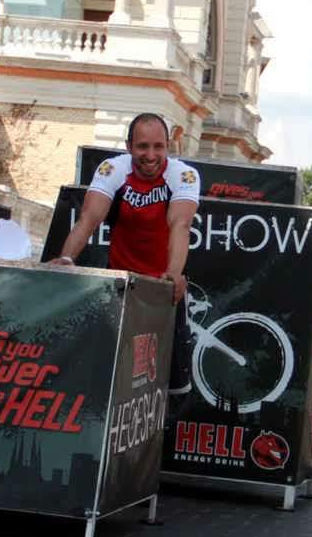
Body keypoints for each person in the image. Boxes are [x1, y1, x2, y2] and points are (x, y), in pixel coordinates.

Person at [49, 113, 201, 392]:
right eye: (142, 146)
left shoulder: (183, 175)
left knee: (175, 387)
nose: (151, 155)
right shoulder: (113, 169)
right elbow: (89, 219)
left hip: (163, 286)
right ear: (129, 146)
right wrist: (67, 258)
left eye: (158, 146)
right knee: (111, 376)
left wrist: (173, 275)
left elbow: (180, 225)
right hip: (122, 285)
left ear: (168, 146)